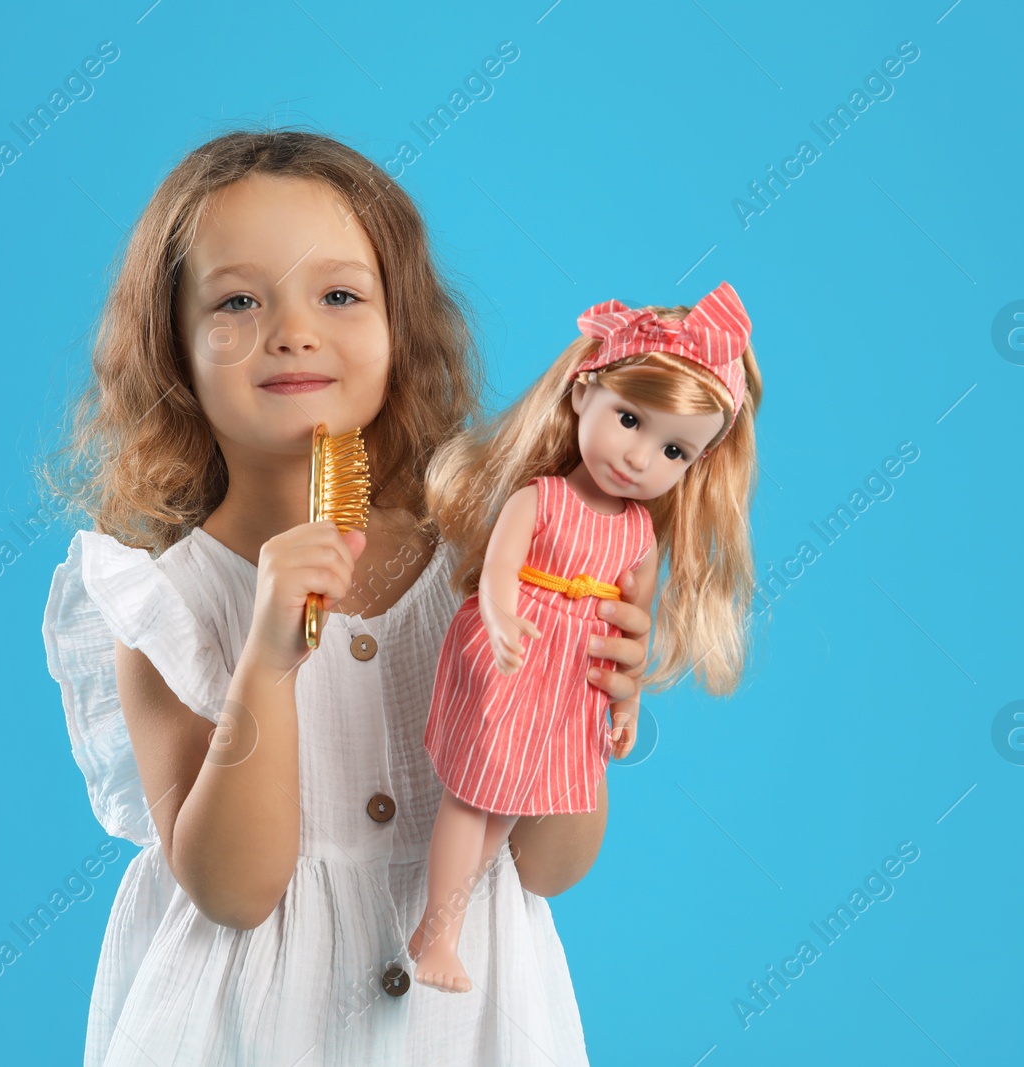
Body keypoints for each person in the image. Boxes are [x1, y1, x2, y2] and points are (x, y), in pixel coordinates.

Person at [38, 127, 653, 1066]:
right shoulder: (163, 607)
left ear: (400, 325)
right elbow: (235, 890)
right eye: (238, 300)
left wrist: (575, 684)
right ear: (173, 348)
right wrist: (266, 663)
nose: (293, 328)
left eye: (339, 294)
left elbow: (549, 865)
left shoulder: (479, 567)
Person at [408, 287, 764, 991]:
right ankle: (440, 933)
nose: (639, 458)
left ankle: (438, 923)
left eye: (674, 450)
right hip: (515, 652)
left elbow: (634, 618)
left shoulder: (638, 534)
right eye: (628, 420)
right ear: (582, 396)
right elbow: (498, 573)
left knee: (507, 803)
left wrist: (624, 706)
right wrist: (503, 621)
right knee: (472, 795)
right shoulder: (541, 498)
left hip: (569, 683)